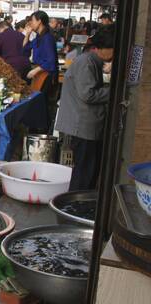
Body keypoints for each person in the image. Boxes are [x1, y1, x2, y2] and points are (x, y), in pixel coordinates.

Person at [54, 26, 114, 191]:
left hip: (86, 125)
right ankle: (74, 207)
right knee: (84, 172)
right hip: (82, 126)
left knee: (88, 170)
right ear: (100, 49)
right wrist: (114, 92)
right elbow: (88, 94)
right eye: (113, 49)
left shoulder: (93, 61)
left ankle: (78, 204)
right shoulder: (86, 62)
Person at [23, 11, 58, 92]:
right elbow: (25, 48)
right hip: (39, 73)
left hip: (46, 75)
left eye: (32, 20)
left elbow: (50, 61)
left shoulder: (47, 38)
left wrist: (35, 70)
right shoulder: (38, 37)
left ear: (39, 22)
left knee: (41, 101)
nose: (30, 23)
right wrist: (28, 34)